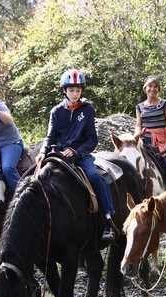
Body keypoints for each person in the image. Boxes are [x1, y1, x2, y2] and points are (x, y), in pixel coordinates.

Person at [35, 69, 117, 242]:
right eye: (71, 90)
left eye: (78, 90)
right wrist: (43, 152)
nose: (74, 93)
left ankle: (108, 219)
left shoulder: (87, 109)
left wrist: (77, 151)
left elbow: (92, 139)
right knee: (34, 178)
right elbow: (50, 136)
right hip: (58, 153)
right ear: (64, 91)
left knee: (95, 177)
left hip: (80, 153)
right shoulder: (56, 112)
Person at [134, 75, 166, 187]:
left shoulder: (164, 104)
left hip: (162, 140)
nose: (152, 89)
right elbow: (138, 126)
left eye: (155, 86)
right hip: (146, 140)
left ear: (158, 89)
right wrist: (135, 138)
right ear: (145, 88)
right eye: (150, 86)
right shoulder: (139, 107)